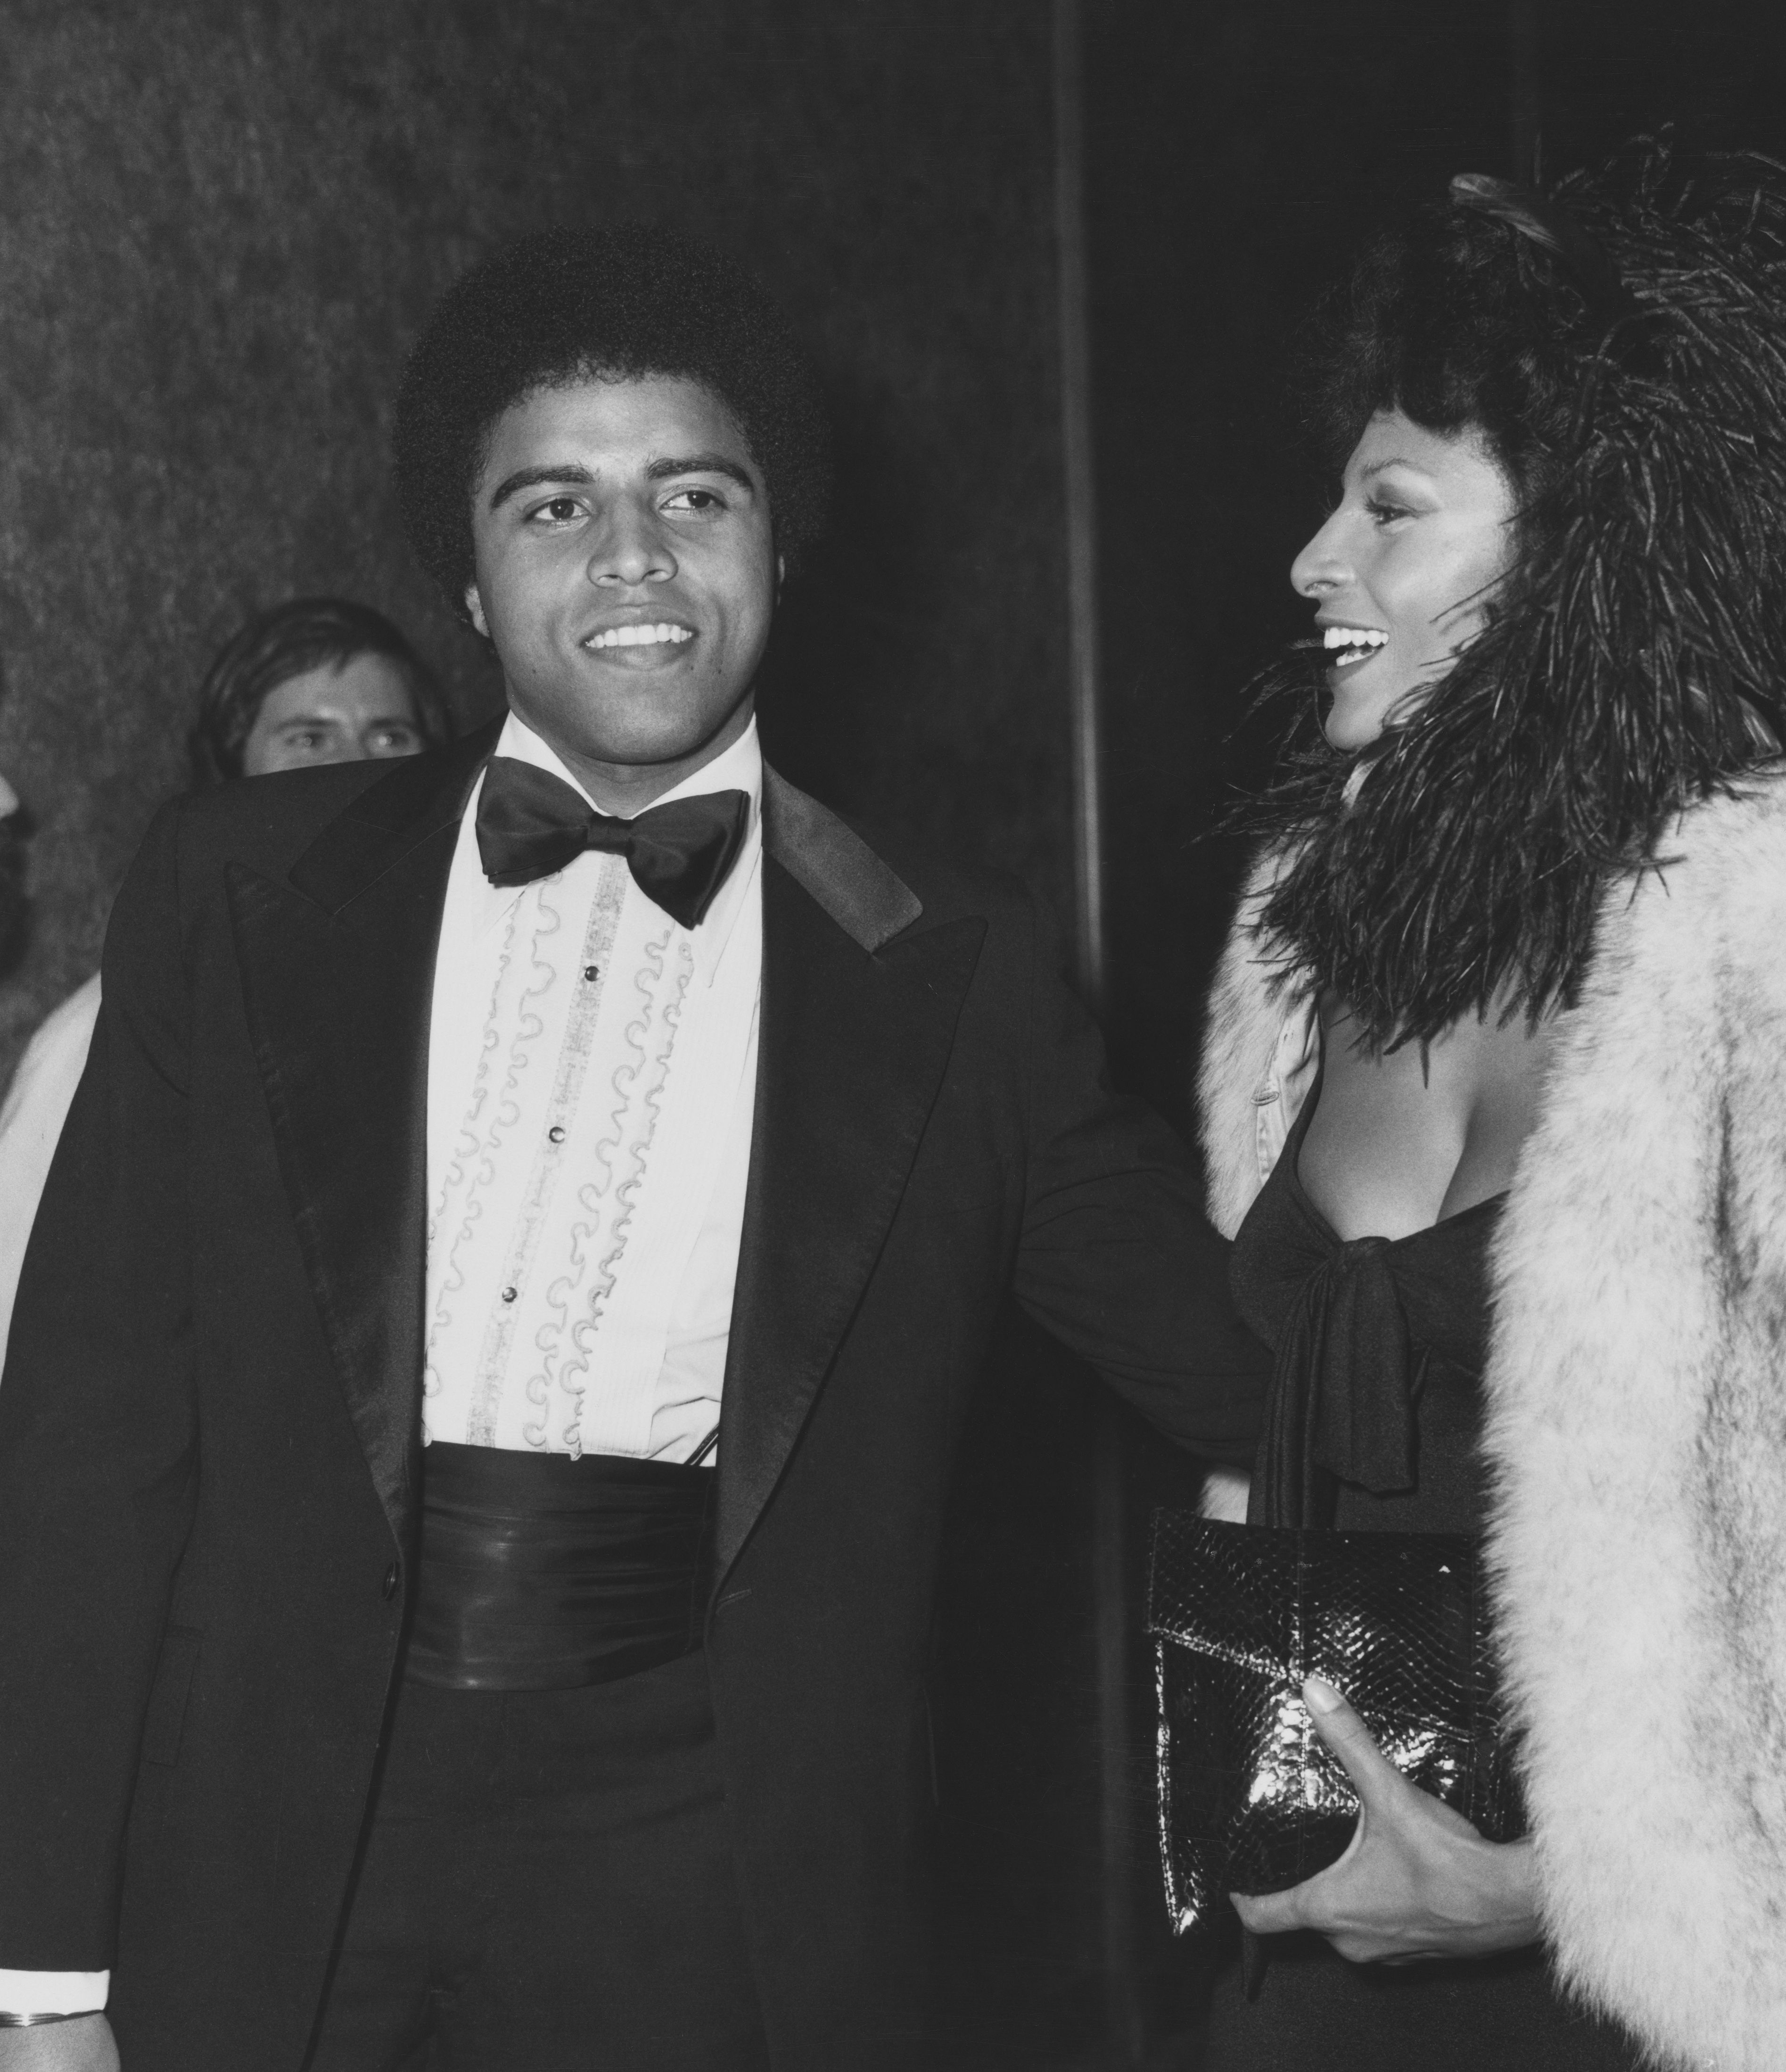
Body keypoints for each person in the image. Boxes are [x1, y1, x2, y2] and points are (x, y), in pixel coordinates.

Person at [0, 227, 1266, 2072]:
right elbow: (89, 1448)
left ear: (780, 540)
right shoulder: (237, 891)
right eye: (554, 506)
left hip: (713, 1867)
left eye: (692, 493)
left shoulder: (948, 980)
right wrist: (38, 1976)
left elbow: (1242, 1363)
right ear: (467, 569)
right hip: (265, 1844)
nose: (633, 561)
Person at [1193, 146, 1786, 2069]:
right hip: (1310, 1980)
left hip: (1702, 2010)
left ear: (1589, 537)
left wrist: (1544, 1891)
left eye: (1389, 507)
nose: (1310, 561)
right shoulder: (1303, 937)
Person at [0, 598, 445, 1364]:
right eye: (308, 737)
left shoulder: (476, 991)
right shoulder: (121, 1028)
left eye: (388, 736)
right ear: (228, 773)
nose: (356, 768)